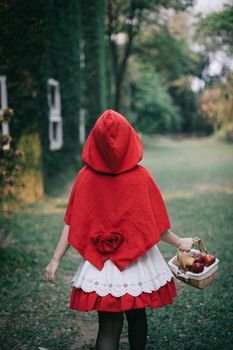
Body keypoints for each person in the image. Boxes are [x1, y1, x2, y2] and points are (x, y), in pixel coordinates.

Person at [44, 109, 194, 350]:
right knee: (137, 318)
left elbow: (72, 223)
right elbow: (158, 227)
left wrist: (55, 260)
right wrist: (180, 242)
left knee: (109, 325)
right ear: (130, 139)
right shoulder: (141, 177)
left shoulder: (84, 177)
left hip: (102, 269)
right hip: (139, 265)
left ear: (94, 141)